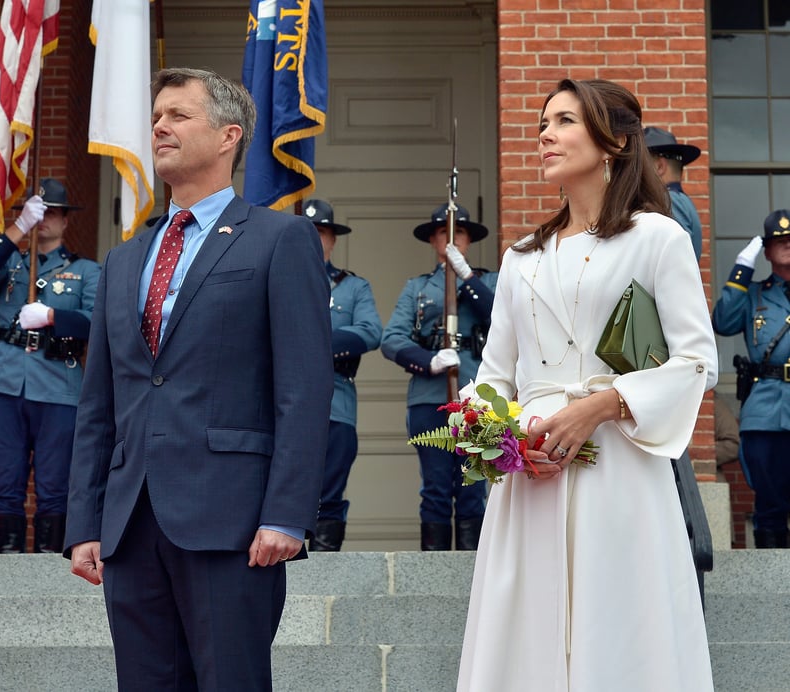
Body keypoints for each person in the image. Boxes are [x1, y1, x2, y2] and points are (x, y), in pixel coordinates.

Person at [63, 68, 333, 691]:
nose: (159, 126)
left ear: (227, 136)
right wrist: (84, 522)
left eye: (178, 116)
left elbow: (304, 388)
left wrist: (287, 514)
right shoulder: (126, 257)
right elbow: (99, 401)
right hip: (131, 526)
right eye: (156, 116)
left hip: (232, 522)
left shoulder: (280, 239)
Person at [456, 79, 717, 691]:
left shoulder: (657, 237)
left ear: (614, 143)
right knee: (525, 636)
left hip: (620, 467)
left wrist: (599, 407)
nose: (545, 133)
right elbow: (491, 380)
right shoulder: (523, 256)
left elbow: (696, 359)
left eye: (565, 121)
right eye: (544, 122)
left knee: (625, 627)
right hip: (532, 476)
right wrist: (513, 442)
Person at [381, 204, 497, 551]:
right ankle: (434, 567)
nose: (452, 240)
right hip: (429, 396)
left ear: (468, 241)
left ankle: (469, 567)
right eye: (445, 233)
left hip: (475, 393)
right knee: (434, 486)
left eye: (458, 233)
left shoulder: (488, 281)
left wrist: (467, 278)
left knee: (473, 484)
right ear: (434, 240)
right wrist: (428, 361)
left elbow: (503, 318)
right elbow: (392, 340)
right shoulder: (417, 288)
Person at [0, 179, 100, 554]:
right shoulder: (8, 263)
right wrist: (17, 228)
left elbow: (100, 322)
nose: (45, 220)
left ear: (66, 221)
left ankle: (47, 575)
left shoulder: (86, 271)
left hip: (58, 388)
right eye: (38, 213)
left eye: (51, 213)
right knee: (3, 487)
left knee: (55, 489)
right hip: (5, 386)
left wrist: (53, 315)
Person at [300, 198, 382, 551]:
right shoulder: (275, 281)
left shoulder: (352, 287)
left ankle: (323, 572)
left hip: (336, 402)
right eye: (307, 233)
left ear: (333, 239)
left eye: (321, 232)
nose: (315, 240)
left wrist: (307, 343)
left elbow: (369, 332)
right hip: (284, 402)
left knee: (330, 491)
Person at [712, 209, 790, 549]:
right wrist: (741, 269)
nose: (787, 246)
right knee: (769, 502)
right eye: (779, 242)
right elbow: (723, 321)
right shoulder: (755, 294)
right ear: (767, 252)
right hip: (766, 413)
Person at [644, 125, 703, 260]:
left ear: (660, 166)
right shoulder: (679, 200)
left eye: (641, 165)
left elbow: (676, 257)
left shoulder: (667, 201)